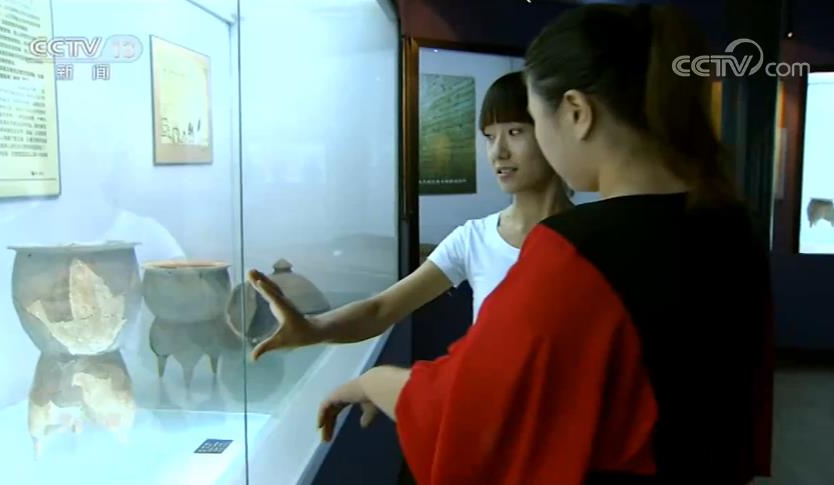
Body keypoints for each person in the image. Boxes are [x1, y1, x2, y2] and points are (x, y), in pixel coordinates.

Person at [250, 3, 775, 484]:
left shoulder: (574, 252)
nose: (501, 150)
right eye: (489, 137)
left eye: (529, 126)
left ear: (576, 112)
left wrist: (372, 383)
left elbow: (466, 408)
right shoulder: (728, 225)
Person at [248, 72, 572, 358]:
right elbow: (381, 309)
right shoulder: (474, 239)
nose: (498, 152)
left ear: (552, 133)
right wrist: (314, 328)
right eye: (489, 137)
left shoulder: (593, 234)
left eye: (515, 132)